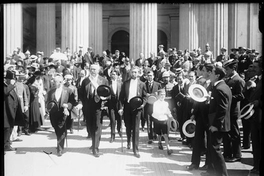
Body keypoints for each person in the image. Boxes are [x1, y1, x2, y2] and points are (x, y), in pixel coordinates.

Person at [201, 65, 232, 176]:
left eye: (212, 73)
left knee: (216, 150)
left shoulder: (220, 88)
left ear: (217, 75)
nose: (210, 74)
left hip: (218, 125)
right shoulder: (222, 86)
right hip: (218, 123)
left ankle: (222, 174)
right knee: (213, 150)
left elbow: (222, 109)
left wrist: (215, 125)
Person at [119, 66, 147, 158]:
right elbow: (121, 97)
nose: (133, 74)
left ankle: (136, 149)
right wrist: (121, 108)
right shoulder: (125, 83)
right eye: (132, 72)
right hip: (127, 107)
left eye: (135, 72)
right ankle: (128, 141)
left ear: (138, 73)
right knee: (128, 126)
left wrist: (143, 105)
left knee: (135, 128)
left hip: (137, 107)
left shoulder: (142, 84)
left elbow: (145, 97)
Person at [46, 74, 75, 156]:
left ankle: (60, 148)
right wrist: (48, 109)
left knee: (61, 129)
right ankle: (60, 142)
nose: (54, 83)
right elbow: (48, 101)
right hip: (54, 113)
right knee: (56, 128)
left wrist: (67, 106)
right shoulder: (51, 91)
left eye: (56, 82)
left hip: (63, 113)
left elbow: (72, 102)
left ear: (61, 82)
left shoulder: (68, 90)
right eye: (54, 82)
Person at [222, 59, 245, 162]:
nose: (225, 71)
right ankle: (227, 153)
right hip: (227, 110)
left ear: (233, 69)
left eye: (227, 69)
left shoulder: (238, 80)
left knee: (235, 133)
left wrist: (228, 98)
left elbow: (241, 96)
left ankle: (237, 154)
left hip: (233, 111)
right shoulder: (227, 79)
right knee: (227, 132)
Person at [84, 64, 109, 157]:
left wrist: (104, 99)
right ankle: (94, 143)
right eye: (91, 69)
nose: (92, 71)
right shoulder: (86, 81)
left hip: (99, 107)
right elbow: (82, 94)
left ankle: (96, 148)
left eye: (94, 69)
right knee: (90, 127)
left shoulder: (103, 80)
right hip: (88, 106)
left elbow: (109, 94)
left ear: (98, 71)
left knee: (97, 127)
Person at [248, 59, 262, 175]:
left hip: (260, 116)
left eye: (256, 67)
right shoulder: (255, 80)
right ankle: (256, 166)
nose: (253, 69)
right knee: (255, 143)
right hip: (255, 116)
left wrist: (259, 102)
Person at [4, 70, 24, 152]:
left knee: (10, 128)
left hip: (12, 111)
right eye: (12, 79)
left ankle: (7, 145)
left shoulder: (10, 86)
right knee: (7, 129)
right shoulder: (6, 86)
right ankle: (6, 145)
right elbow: (5, 92)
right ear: (7, 79)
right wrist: (11, 84)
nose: (14, 80)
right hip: (6, 112)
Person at [152, 89, 173, 155]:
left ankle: (168, 148)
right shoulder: (155, 103)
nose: (162, 96)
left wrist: (170, 115)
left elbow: (167, 110)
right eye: (161, 95)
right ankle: (159, 142)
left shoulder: (166, 103)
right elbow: (155, 112)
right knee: (159, 133)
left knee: (165, 134)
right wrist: (164, 112)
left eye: (164, 95)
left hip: (164, 120)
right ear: (158, 96)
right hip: (157, 119)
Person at [144, 70, 162, 144]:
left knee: (156, 121)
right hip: (147, 106)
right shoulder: (144, 84)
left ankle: (155, 134)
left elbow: (161, 94)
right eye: (148, 76)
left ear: (153, 76)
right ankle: (150, 137)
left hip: (155, 106)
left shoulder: (158, 84)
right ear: (147, 77)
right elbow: (142, 92)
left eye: (151, 76)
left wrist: (156, 95)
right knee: (148, 122)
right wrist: (146, 94)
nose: (150, 77)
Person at [108, 70, 123, 143]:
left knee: (119, 119)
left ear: (117, 75)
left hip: (119, 104)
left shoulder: (120, 84)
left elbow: (123, 94)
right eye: (112, 74)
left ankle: (119, 130)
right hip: (111, 104)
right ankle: (112, 135)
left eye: (114, 74)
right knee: (113, 120)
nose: (112, 76)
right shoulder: (108, 84)